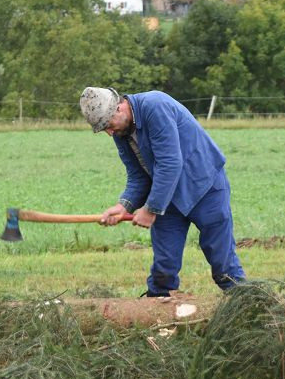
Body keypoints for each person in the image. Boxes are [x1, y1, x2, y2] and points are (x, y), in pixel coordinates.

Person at [79, 86, 245, 297]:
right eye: (103, 129)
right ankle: (157, 317)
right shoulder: (120, 133)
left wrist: (150, 209)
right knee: (164, 268)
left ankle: (248, 308)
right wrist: (123, 206)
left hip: (205, 187)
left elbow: (170, 163)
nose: (109, 132)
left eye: (107, 125)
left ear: (119, 107)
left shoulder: (154, 106)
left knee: (223, 264)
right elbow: (138, 176)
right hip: (167, 196)